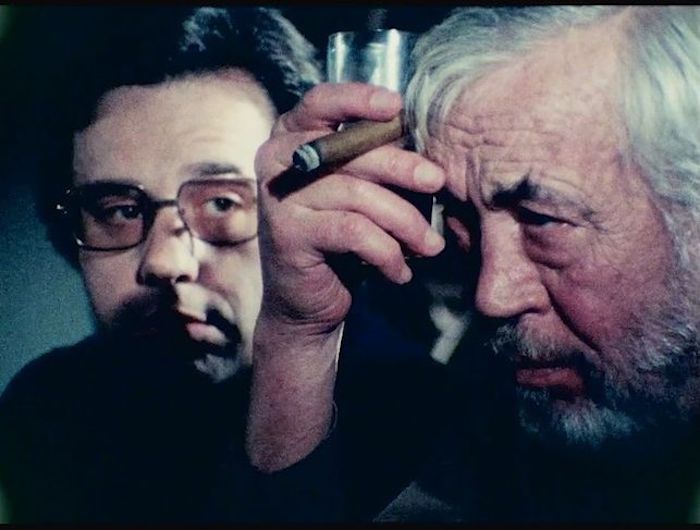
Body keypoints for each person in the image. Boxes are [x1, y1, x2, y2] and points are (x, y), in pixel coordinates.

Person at [246, 5, 700, 523]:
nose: (491, 295)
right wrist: (297, 335)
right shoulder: (491, 426)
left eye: (543, 221)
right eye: (461, 217)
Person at [0, 6, 321, 523]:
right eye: (120, 212)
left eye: (222, 203)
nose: (166, 262)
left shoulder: (414, 424)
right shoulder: (42, 413)